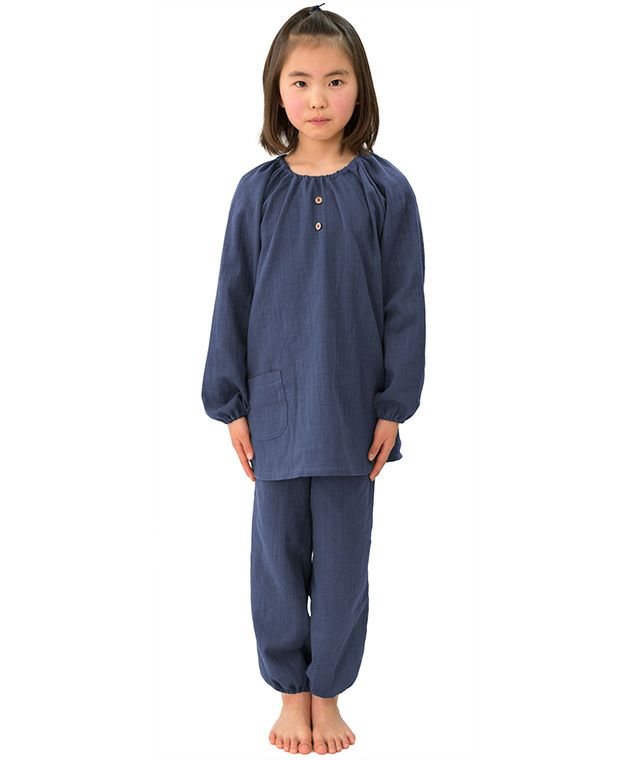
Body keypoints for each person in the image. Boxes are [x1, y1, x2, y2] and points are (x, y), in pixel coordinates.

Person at [201, 3, 426, 754]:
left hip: (353, 412)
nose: (318, 97)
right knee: (275, 560)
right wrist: (231, 405)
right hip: (273, 407)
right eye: (301, 81)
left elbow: (404, 303)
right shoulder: (256, 192)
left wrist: (394, 406)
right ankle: (289, 694)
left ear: (361, 89)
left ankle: (327, 694)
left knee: (343, 563)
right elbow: (232, 298)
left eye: (335, 80)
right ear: (277, 90)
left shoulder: (387, 190)